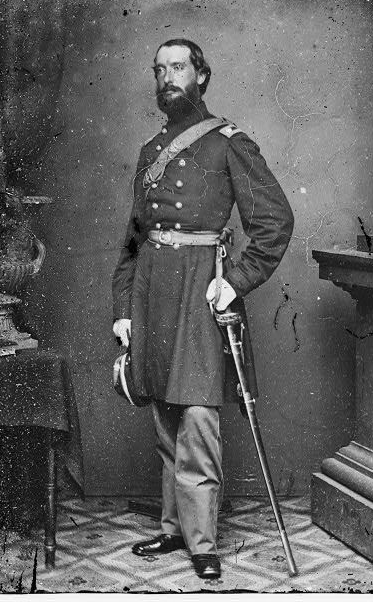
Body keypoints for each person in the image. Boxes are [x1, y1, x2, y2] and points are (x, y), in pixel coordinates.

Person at [112, 39, 294, 580]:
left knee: (196, 417)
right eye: (160, 69)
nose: (167, 77)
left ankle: (202, 542)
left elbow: (275, 222)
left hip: (199, 290)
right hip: (151, 292)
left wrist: (234, 282)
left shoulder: (228, 143)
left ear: (202, 76)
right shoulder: (151, 150)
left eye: (178, 67)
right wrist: (123, 308)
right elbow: (133, 239)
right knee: (164, 415)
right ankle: (174, 529)